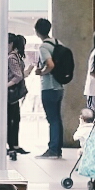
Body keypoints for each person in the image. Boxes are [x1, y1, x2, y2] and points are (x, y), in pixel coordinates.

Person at [32, 17, 67, 159]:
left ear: (37, 32)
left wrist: (42, 72)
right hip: (59, 86)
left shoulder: (44, 47)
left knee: (52, 119)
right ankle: (57, 149)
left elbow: (50, 65)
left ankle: (52, 150)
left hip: (49, 87)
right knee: (57, 118)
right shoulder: (58, 43)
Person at [4, 34, 27, 157]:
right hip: (15, 94)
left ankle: (11, 145)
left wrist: (5, 86)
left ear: (11, 43)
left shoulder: (10, 57)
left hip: (10, 93)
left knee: (9, 120)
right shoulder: (17, 56)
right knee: (15, 119)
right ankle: (14, 145)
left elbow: (18, 76)